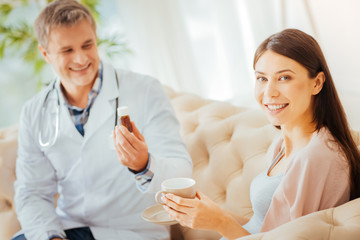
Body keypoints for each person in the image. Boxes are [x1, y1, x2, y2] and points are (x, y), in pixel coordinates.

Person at [12, 0, 192, 239]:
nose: (81, 59)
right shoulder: (34, 112)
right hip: (68, 230)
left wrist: (143, 164)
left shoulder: (145, 90)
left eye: (88, 45)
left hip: (131, 230)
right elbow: (32, 193)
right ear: (45, 53)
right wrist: (51, 237)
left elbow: (182, 174)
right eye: (67, 50)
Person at [162, 28, 360, 239]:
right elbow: (264, 229)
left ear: (317, 83)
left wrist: (220, 222)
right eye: (262, 79)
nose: (269, 93)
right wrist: (211, 213)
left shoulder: (317, 157)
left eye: (284, 78)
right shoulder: (282, 144)